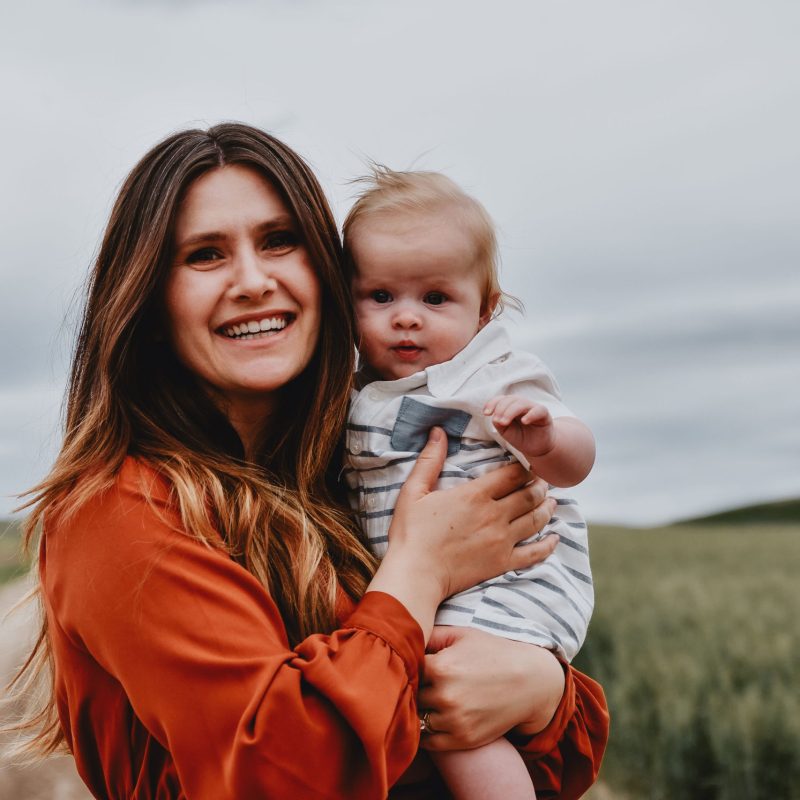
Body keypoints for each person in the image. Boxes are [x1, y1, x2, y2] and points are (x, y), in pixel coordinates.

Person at [9, 123, 608, 799]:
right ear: (149, 300)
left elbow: (571, 755)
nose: (253, 280)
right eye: (205, 255)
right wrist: (420, 569)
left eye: (278, 241)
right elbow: (281, 773)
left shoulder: (346, 468)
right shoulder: (118, 512)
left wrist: (540, 689)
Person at [342, 168, 596, 799]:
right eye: (380, 297)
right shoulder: (354, 396)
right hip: (429, 586)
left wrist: (543, 438)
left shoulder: (495, 377)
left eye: (434, 299)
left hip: (510, 582)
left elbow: (577, 460)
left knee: (460, 718)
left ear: (484, 310)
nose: (406, 319)